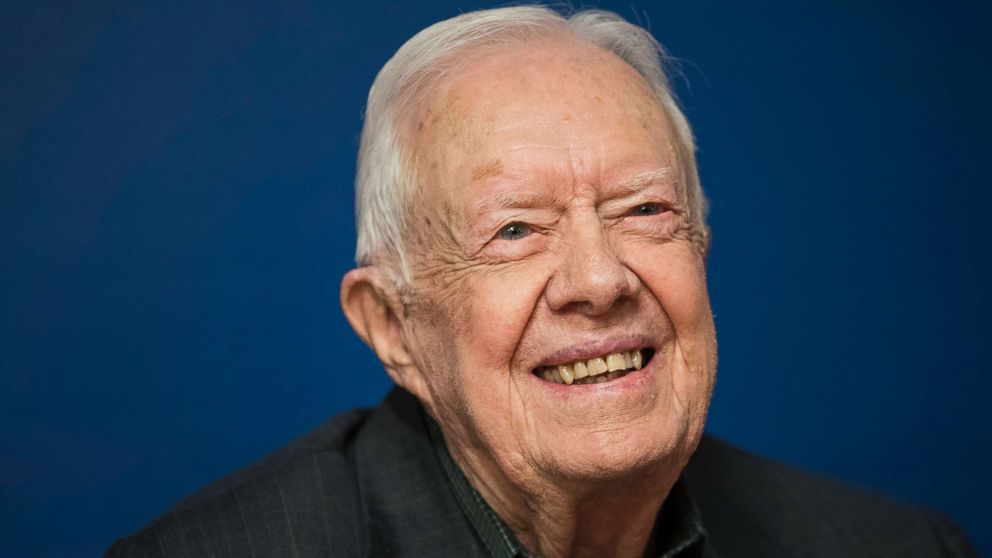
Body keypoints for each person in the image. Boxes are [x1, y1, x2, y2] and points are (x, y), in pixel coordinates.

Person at [106, 6, 976, 557]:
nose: (599, 280)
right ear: (393, 327)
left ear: (701, 247)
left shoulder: (895, 545)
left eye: (643, 211)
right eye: (515, 230)